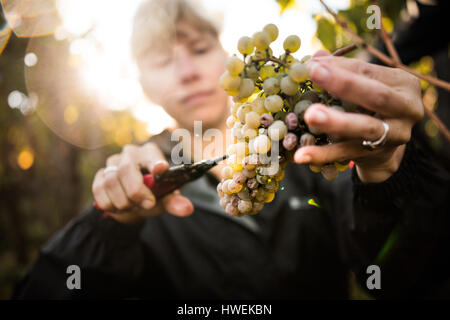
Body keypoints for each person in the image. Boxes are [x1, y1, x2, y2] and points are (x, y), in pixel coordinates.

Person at [13, 0, 450, 299]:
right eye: (162, 61)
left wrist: (388, 173)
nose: (186, 72)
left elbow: (405, 282)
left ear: (227, 57)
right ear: (142, 84)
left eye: (199, 50)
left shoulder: (308, 146)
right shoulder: (132, 181)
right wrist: (110, 227)